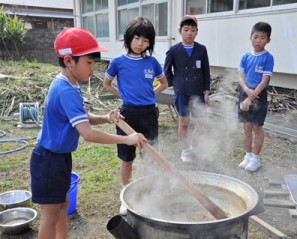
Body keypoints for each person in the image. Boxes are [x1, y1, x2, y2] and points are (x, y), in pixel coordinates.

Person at [30, 27, 147, 239]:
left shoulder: (70, 83)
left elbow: (82, 117)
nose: (93, 68)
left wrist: (105, 117)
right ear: (68, 61)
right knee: (50, 214)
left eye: (94, 62)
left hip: (60, 156)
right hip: (48, 160)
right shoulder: (64, 89)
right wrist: (127, 139)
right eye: (89, 62)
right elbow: (88, 133)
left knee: (62, 206)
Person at [103, 17, 168, 215]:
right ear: (129, 37)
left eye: (146, 40)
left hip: (149, 113)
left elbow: (163, 83)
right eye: (137, 38)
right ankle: (126, 194)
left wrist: (151, 96)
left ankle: (151, 195)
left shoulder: (152, 62)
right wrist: (124, 96)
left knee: (149, 155)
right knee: (127, 157)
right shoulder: (118, 62)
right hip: (127, 114)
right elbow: (107, 84)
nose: (141, 44)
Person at [164, 15, 210, 163]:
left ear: (197, 32)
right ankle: (185, 150)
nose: (189, 32)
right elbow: (166, 71)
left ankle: (195, 148)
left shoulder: (201, 50)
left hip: (198, 91)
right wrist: (175, 84)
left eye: (192, 30)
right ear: (180, 31)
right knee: (184, 122)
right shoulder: (174, 50)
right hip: (182, 92)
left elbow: (206, 71)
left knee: (200, 123)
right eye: (186, 29)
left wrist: (206, 91)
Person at [238, 22, 274, 172]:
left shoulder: (268, 58)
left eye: (262, 38)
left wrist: (250, 97)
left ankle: (256, 158)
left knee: (257, 127)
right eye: (256, 37)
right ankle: (247, 155)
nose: (258, 40)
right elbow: (240, 76)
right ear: (250, 38)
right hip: (245, 92)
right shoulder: (245, 57)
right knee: (246, 126)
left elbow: (265, 81)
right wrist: (246, 90)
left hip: (258, 94)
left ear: (268, 40)